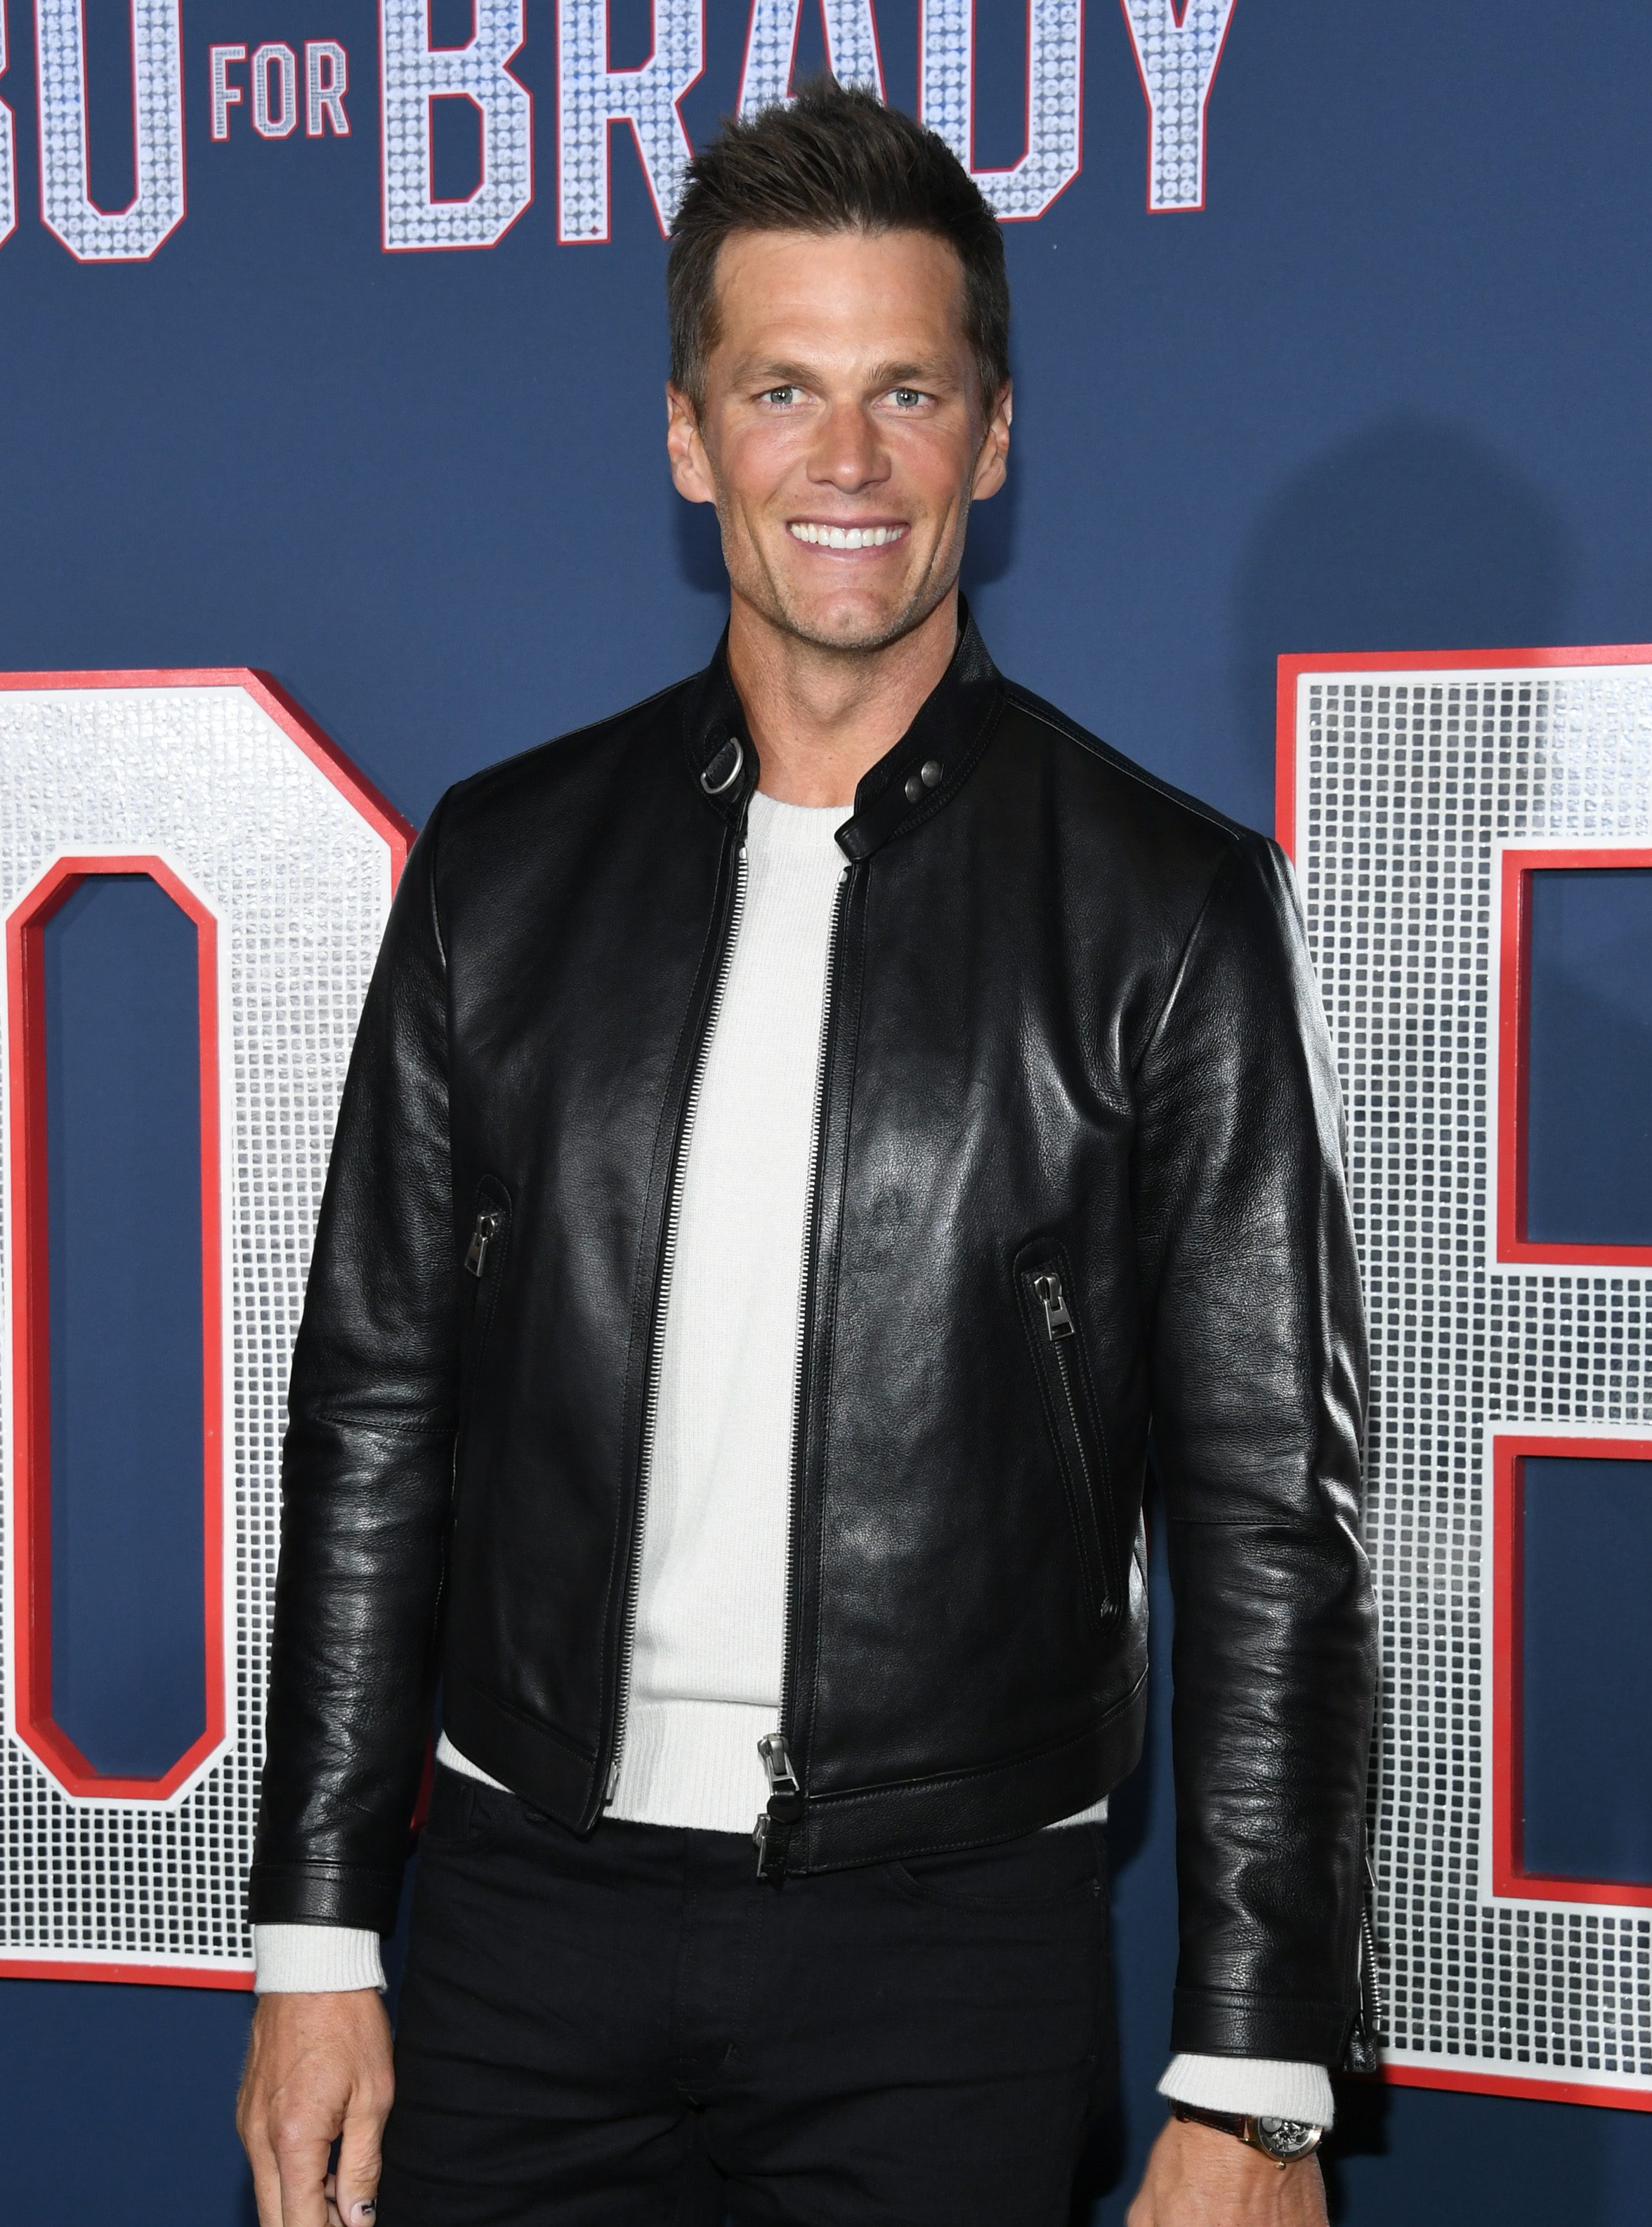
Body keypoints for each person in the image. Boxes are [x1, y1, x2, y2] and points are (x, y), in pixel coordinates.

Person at [238, 80, 1376, 2227]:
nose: (843, 463)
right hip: (514, 1927)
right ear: (689, 438)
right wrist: (314, 1930)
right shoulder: (503, 868)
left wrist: (1257, 2073)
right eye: (781, 390)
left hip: (947, 1954)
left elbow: (1266, 1519)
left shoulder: (1163, 905)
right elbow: (373, 1409)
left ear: (993, 436)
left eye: (904, 392)